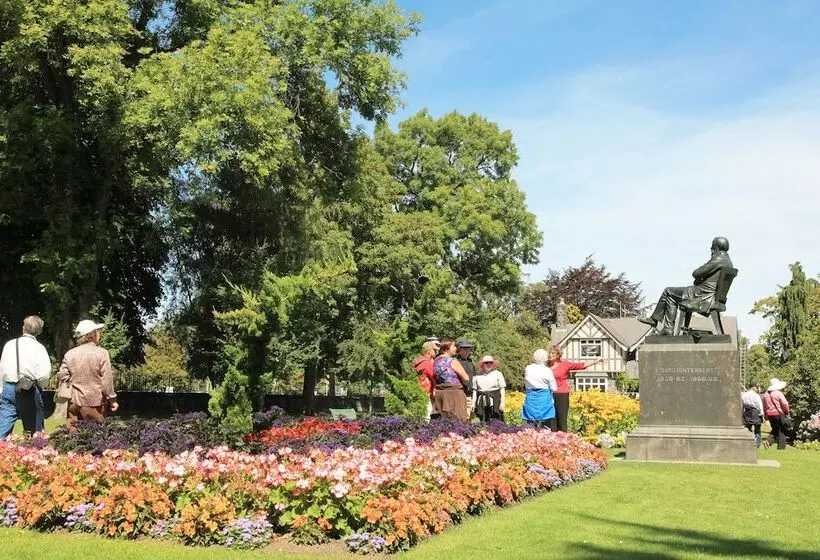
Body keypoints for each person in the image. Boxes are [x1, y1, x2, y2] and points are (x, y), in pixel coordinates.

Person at [638, 236, 733, 335]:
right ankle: (664, 326)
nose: (711, 250)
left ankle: (663, 325)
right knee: (671, 293)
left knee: (668, 292)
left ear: (717, 248)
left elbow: (696, 273)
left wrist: (702, 274)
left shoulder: (718, 259)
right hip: (709, 295)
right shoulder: (728, 261)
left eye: (712, 247)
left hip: (702, 295)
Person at [58, 319, 119, 425]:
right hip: (94, 402)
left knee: (73, 437)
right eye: (98, 331)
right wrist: (112, 399)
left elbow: (62, 375)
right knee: (95, 436)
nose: (100, 333)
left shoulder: (70, 354)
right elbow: (107, 380)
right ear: (92, 335)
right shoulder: (102, 353)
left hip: (73, 402)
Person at [0, 316, 51, 437]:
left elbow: (2, 368)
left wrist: (1, 388)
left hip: (9, 387)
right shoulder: (39, 348)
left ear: (23, 328)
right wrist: (41, 385)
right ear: (39, 331)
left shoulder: (10, 344)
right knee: (34, 430)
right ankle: (34, 452)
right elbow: (44, 374)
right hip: (30, 389)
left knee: (4, 423)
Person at [547, 345, 603, 432]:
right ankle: (553, 442)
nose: (550, 355)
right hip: (548, 395)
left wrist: (595, 361)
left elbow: (581, 365)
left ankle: (562, 440)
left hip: (562, 394)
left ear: (558, 355)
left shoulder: (564, 365)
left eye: (553, 353)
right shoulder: (545, 366)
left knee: (561, 419)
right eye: (549, 353)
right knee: (551, 420)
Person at [431, 339, 470, 422]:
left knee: (442, 421)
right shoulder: (452, 361)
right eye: (453, 346)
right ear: (447, 349)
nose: (456, 348)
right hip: (453, 394)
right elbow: (466, 378)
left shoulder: (436, 361)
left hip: (440, 394)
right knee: (458, 420)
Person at [521, 349, 558, 430]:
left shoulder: (528, 368)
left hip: (531, 399)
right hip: (544, 400)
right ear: (545, 358)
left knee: (530, 426)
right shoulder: (547, 370)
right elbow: (554, 388)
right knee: (545, 425)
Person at [472, 355, 506, 422]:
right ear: (482, 364)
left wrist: (502, 403)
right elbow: (475, 391)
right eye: (486, 362)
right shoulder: (477, 375)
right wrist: (473, 403)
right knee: (483, 420)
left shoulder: (498, 374)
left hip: (495, 401)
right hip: (481, 401)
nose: (489, 364)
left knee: (496, 420)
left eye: (490, 362)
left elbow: (502, 389)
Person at [412, 340, 439, 419]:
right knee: (426, 415)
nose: (436, 352)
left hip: (418, 391)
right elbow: (434, 376)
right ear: (429, 351)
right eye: (435, 350)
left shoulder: (417, 361)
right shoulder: (426, 363)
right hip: (425, 392)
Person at [762, 378, 790, 450]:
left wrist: (765, 415)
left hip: (770, 414)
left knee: (775, 429)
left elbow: (764, 406)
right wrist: (787, 411)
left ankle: (768, 441)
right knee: (782, 430)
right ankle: (781, 448)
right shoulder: (778, 393)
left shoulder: (765, 394)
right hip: (778, 413)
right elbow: (784, 403)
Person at [455, 340, 476, 414]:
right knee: (459, 413)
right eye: (465, 349)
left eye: (469, 349)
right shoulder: (455, 361)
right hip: (459, 392)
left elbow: (474, 375)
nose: (467, 351)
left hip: (469, 392)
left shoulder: (471, 362)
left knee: (468, 414)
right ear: (460, 350)